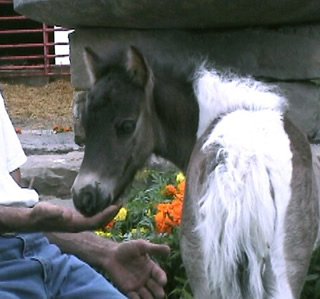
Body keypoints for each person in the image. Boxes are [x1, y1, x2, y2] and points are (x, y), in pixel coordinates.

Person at [0, 89, 170, 299]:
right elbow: (20, 217)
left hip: (47, 258)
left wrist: (106, 251)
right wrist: (27, 218)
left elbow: (14, 204)